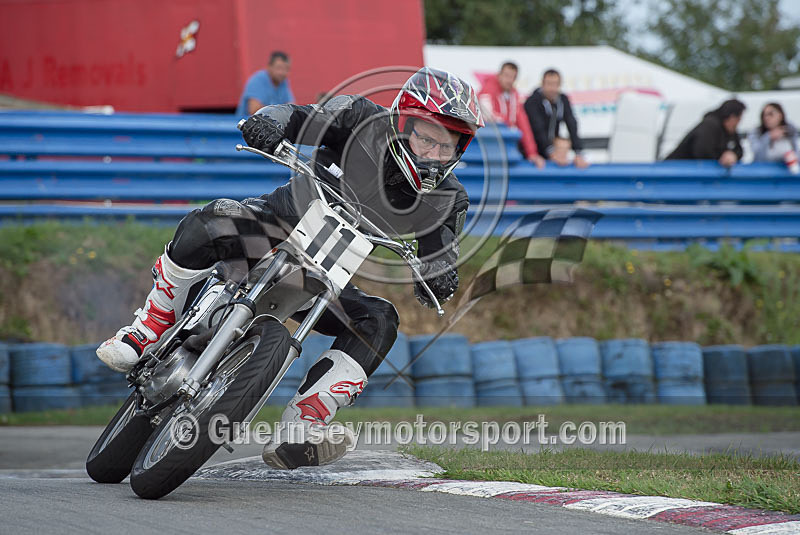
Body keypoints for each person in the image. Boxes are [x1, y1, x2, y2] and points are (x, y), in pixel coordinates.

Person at [96, 67, 483, 470]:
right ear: (403, 122)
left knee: (381, 319)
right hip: (269, 227)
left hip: (322, 280)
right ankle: (149, 328)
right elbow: (299, 116)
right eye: (426, 139)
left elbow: (439, 254)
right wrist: (270, 121)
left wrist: (438, 277)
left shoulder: (449, 199)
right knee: (213, 217)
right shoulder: (358, 117)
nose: (434, 154)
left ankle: (305, 424)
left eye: (447, 146)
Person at [478, 62, 544, 168]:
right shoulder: (486, 90)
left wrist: (532, 153)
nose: (509, 80)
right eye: (506, 76)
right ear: (499, 75)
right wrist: (511, 127)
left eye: (513, 77)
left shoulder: (515, 95)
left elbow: (524, 125)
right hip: (486, 149)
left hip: (507, 148)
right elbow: (488, 116)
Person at [524, 69, 588, 168]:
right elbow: (538, 128)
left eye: (555, 84)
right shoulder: (532, 102)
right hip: (534, 151)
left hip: (552, 150)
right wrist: (551, 153)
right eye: (549, 84)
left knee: (563, 144)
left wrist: (578, 153)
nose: (552, 88)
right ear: (542, 84)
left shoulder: (562, 100)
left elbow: (571, 123)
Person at [666, 99, 746, 167]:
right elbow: (702, 152)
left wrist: (733, 155)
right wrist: (722, 157)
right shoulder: (710, 125)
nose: (738, 123)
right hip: (676, 170)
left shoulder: (729, 130)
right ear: (731, 117)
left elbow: (739, 150)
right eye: (739, 119)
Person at [235, 51, 295, 119]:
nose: (282, 72)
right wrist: (282, 113)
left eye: (286, 69)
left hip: (270, 127)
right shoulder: (257, 80)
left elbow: (291, 109)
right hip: (246, 126)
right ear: (269, 67)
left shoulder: (283, 82)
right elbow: (254, 110)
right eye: (279, 68)